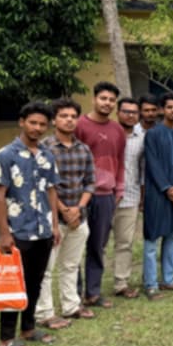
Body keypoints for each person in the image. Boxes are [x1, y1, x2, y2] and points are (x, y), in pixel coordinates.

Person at [0, 102, 61, 346]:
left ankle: (28, 329)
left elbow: (51, 190)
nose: (37, 128)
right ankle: (6, 338)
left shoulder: (47, 155)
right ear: (22, 122)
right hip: (18, 231)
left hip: (42, 230)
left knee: (35, 282)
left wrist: (54, 225)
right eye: (33, 122)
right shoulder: (5, 155)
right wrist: (4, 232)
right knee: (13, 283)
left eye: (42, 124)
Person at [36, 98, 96, 328]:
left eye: (73, 116)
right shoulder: (44, 148)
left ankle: (71, 306)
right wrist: (63, 210)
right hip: (52, 218)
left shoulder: (84, 149)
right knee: (47, 268)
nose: (69, 120)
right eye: (64, 116)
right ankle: (45, 313)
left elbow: (90, 183)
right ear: (54, 120)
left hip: (79, 218)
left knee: (71, 265)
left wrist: (78, 209)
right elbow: (43, 184)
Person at [75, 81, 126, 309]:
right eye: (103, 98)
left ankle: (93, 293)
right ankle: (73, 294)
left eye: (112, 100)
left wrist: (119, 189)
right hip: (80, 195)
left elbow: (121, 162)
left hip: (106, 195)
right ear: (94, 98)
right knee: (75, 245)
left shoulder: (117, 130)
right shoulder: (79, 126)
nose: (107, 103)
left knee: (98, 245)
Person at [142, 93, 173, 299]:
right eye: (169, 107)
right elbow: (152, 164)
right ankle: (151, 283)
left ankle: (169, 280)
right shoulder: (152, 134)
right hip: (157, 194)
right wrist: (168, 189)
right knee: (152, 238)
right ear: (162, 110)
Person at [109, 97, 143, 299]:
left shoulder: (142, 137)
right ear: (118, 112)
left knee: (125, 243)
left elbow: (143, 168)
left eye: (134, 112)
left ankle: (121, 283)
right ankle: (91, 288)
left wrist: (143, 196)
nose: (130, 115)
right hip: (104, 197)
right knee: (98, 244)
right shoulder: (109, 133)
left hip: (131, 197)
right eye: (126, 111)